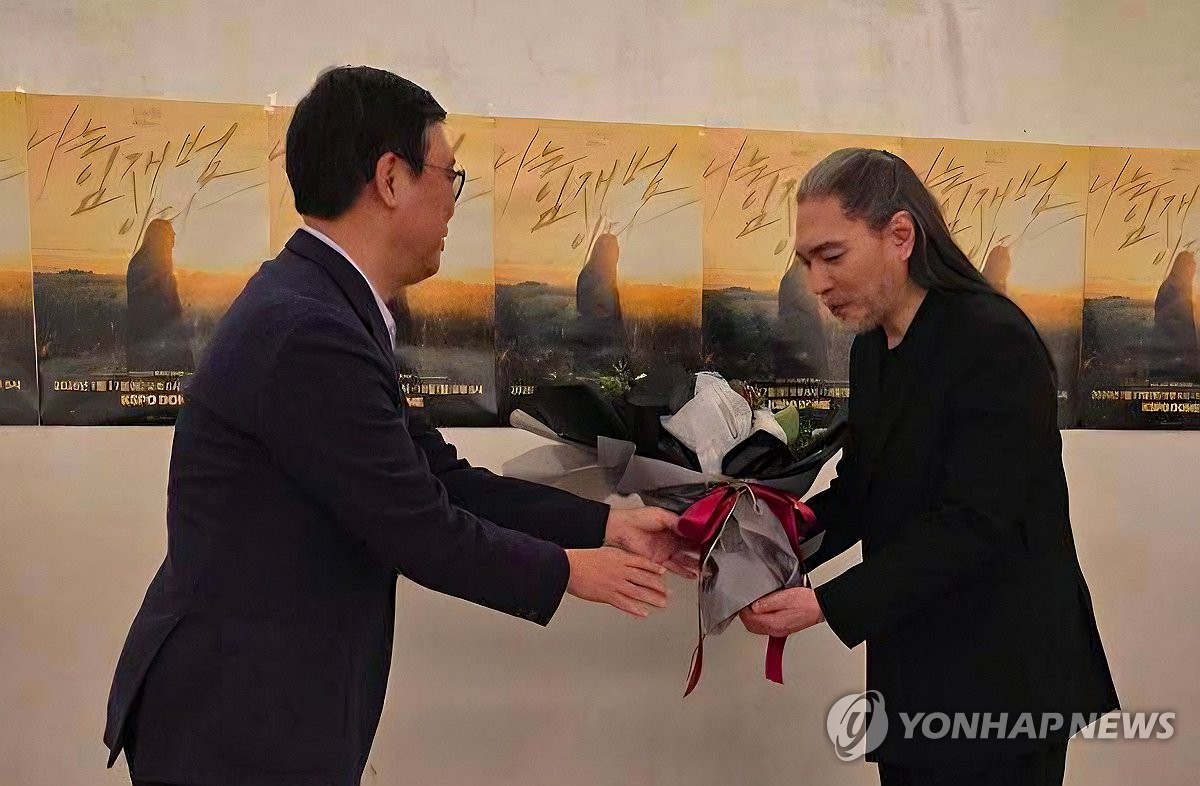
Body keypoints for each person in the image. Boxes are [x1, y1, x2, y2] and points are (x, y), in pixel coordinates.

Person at [103, 66, 693, 786]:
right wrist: (571, 570)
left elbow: (439, 479)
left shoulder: (324, 306)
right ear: (390, 178)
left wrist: (605, 527)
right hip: (237, 720)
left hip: (261, 702)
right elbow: (419, 527)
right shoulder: (310, 331)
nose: (453, 202)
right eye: (449, 175)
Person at [737, 148, 1119, 785]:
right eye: (806, 262)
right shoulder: (872, 349)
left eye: (832, 256)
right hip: (915, 663)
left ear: (900, 235)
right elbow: (861, 491)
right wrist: (757, 536)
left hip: (1004, 675)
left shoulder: (992, 338)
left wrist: (823, 604)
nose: (816, 284)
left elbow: (975, 520)